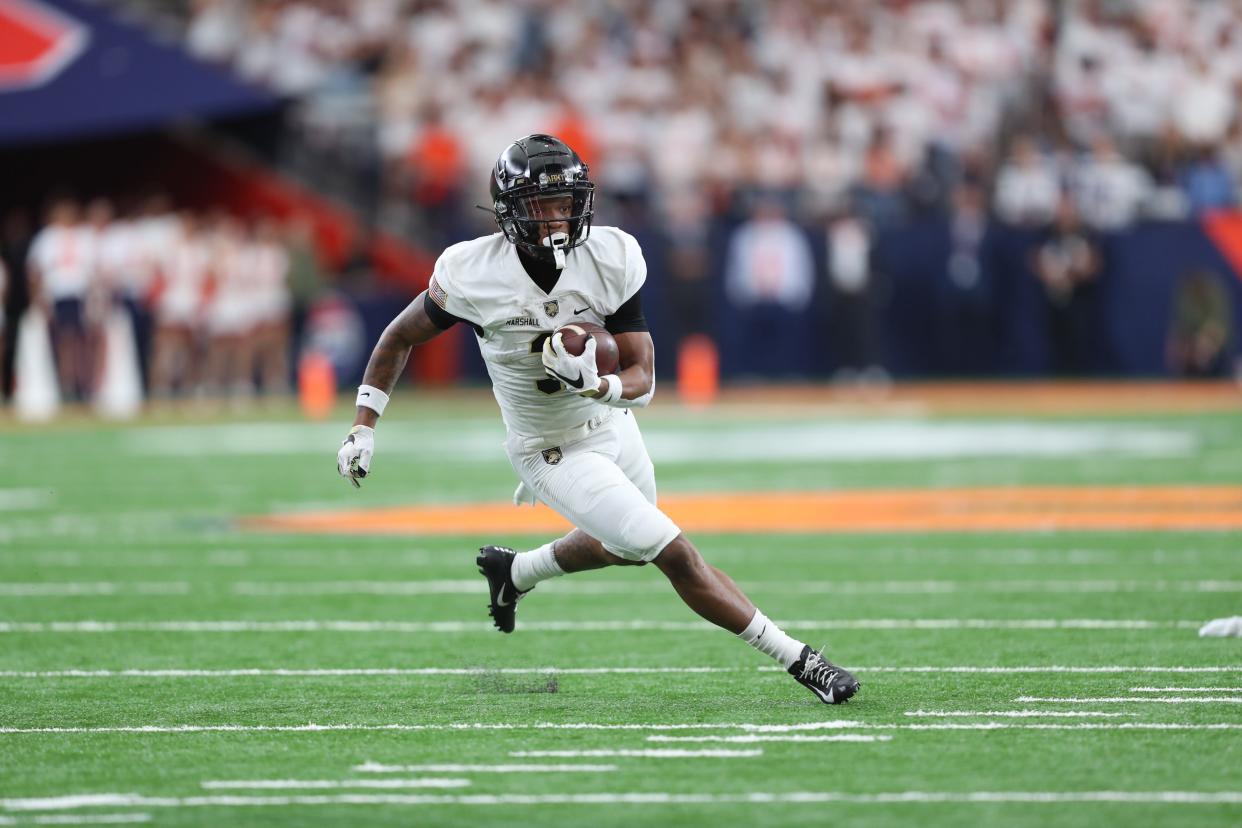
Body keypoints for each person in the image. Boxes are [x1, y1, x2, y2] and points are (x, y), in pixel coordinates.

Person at [336, 134, 859, 705]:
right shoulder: (472, 271)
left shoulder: (609, 255)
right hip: (549, 446)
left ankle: (515, 573)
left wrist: (600, 384)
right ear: (509, 211)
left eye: (566, 203)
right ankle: (802, 660)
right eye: (543, 206)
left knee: (626, 545)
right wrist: (364, 425)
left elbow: (643, 374)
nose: (558, 218)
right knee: (672, 551)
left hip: (610, 424)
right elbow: (398, 337)